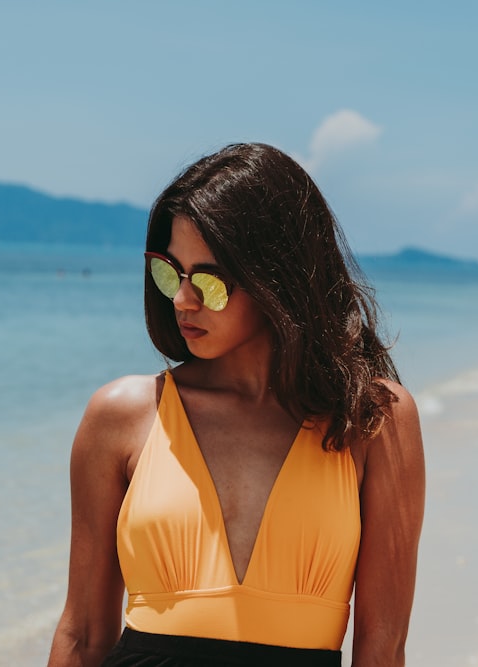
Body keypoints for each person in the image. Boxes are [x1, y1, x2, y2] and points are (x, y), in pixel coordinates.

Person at [48, 143, 425, 666]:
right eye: (169, 273)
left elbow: (383, 649)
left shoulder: (374, 419)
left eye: (208, 279)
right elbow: (82, 635)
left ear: (280, 278)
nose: (182, 299)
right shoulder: (123, 415)